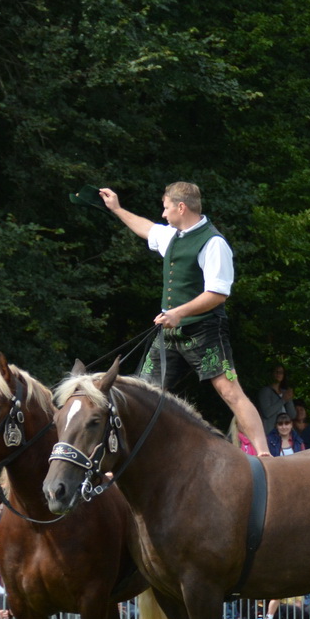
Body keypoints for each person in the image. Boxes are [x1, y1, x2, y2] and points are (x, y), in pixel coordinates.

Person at [99, 181, 271, 455]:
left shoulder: (214, 243)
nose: (164, 215)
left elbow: (217, 293)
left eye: (166, 208)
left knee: (230, 393)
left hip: (205, 330)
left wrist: (179, 312)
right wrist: (117, 209)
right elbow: (147, 229)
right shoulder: (173, 235)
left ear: (181, 207)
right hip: (170, 332)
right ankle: (124, 459)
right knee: (141, 393)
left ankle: (265, 455)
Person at [254, 365, 298, 433]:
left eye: (281, 372)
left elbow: (292, 415)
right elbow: (267, 413)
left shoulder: (284, 392)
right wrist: (283, 400)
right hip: (271, 432)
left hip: (286, 433)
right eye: (276, 372)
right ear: (271, 374)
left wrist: (288, 399)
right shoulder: (265, 391)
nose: (278, 374)